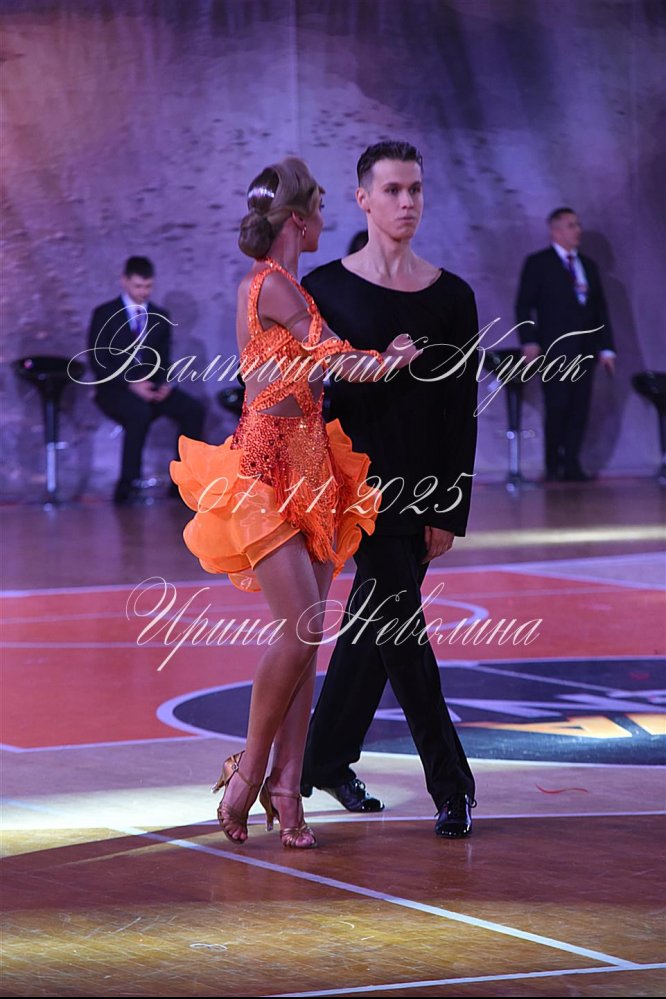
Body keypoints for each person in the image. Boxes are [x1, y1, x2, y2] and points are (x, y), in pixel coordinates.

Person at [169, 157, 422, 849]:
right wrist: (394, 358)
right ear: (300, 219)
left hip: (313, 467)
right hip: (267, 468)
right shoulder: (274, 284)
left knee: (307, 638)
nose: (324, 224)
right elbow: (338, 360)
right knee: (298, 632)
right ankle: (249, 773)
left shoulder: (287, 284)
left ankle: (287, 786)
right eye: (320, 211)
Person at [299, 140, 480, 838]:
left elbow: (461, 409)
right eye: (393, 190)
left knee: (374, 629)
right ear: (363, 200)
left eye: (416, 189)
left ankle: (324, 759)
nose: (407, 202)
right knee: (403, 632)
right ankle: (452, 783)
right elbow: (307, 390)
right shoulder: (325, 289)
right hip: (356, 491)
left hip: (423, 490)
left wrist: (449, 508)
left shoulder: (453, 296)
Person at [87, 256, 205, 504]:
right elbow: (99, 361)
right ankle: (128, 486)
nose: (143, 292)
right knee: (138, 413)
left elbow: (163, 358)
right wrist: (131, 385)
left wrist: (165, 385)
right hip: (114, 388)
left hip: (151, 386)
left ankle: (181, 483)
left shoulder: (160, 316)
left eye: (148, 286)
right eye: (138, 286)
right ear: (125, 281)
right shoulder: (105, 314)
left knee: (193, 410)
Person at [515, 208, 616, 482]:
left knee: (579, 407)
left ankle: (572, 463)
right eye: (571, 225)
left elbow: (600, 310)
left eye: (578, 225)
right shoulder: (538, 263)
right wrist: (529, 340)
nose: (577, 230)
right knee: (557, 405)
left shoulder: (588, 265)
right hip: (554, 350)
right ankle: (552, 463)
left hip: (585, 350)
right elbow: (524, 305)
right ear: (556, 230)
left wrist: (607, 348)